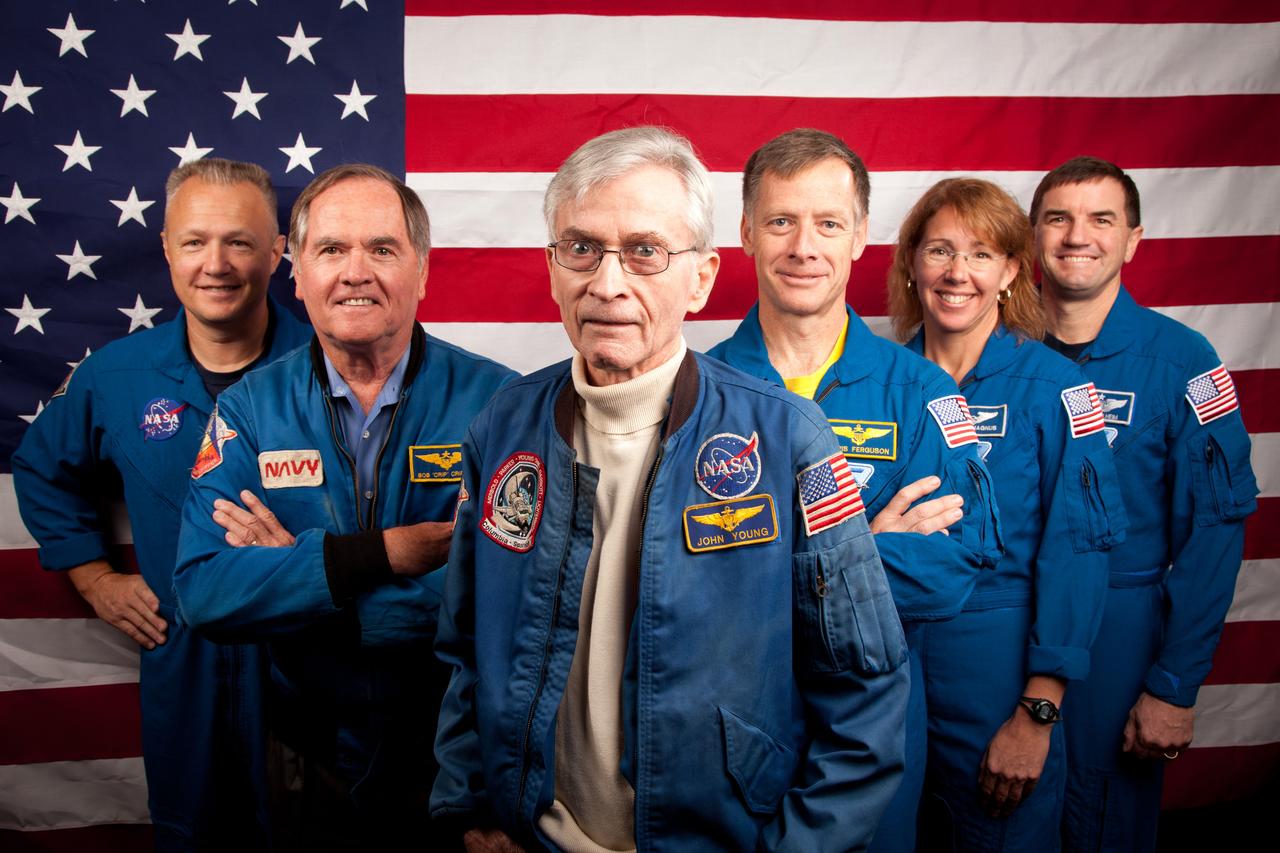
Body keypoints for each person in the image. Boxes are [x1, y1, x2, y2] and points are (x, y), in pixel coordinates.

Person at [431, 126, 909, 852]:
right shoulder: (502, 428)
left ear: (703, 276)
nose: (608, 282)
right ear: (554, 266)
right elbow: (467, 649)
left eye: (646, 251)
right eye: (581, 248)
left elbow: (867, 688)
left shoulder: (787, 439)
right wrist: (471, 812)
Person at [173, 163, 515, 849]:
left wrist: (296, 578)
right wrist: (388, 554)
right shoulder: (247, 410)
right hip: (305, 748)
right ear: (296, 274)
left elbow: (518, 597)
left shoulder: (501, 406)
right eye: (331, 250)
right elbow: (205, 593)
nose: (356, 271)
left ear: (421, 271)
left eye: (382, 249)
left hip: (456, 752)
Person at [707, 128, 1003, 851]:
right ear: (746, 232)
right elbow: (672, 584)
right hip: (726, 726)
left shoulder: (923, 391)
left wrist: (762, 567)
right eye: (781, 221)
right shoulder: (694, 393)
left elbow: (954, 569)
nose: (803, 246)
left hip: (874, 728)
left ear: (861, 235)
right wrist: (861, 549)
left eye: (828, 223)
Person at [11, 158, 311, 851]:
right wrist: (93, 577)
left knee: (310, 835)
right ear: (167, 247)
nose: (217, 263)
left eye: (239, 241)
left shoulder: (328, 367)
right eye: (195, 240)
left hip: (306, 664)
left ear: (277, 251)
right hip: (182, 665)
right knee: (192, 834)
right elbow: (41, 469)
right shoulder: (115, 376)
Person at [885, 177, 1127, 850]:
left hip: (996, 660)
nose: (957, 272)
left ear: (1012, 270)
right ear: (912, 264)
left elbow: (1079, 550)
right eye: (939, 251)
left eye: (981, 253)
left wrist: (1037, 712)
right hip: (886, 654)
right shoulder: (878, 383)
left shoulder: (1058, 387)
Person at [1029, 157, 1258, 852]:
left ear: (1132, 239)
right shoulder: (988, 350)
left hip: (1119, 639)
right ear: (1032, 235)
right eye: (1058, 217)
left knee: (1103, 824)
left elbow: (1214, 531)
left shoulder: (1187, 361)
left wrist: (1174, 683)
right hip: (1001, 628)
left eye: (1102, 219)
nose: (1078, 235)